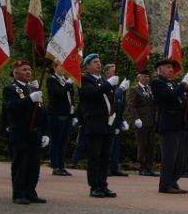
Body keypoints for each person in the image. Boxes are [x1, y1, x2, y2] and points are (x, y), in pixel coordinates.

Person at [1, 59, 48, 204]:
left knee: (34, 165)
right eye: (24, 69)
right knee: (20, 164)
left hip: (34, 132)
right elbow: (12, 107)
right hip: (20, 132)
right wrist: (29, 99)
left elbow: (42, 112)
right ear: (15, 73)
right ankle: (19, 193)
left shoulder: (34, 89)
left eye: (29, 69)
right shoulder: (10, 89)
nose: (28, 72)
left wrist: (45, 132)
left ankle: (30, 192)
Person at [78, 53, 122, 198]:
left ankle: (103, 185)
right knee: (95, 156)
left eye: (99, 61)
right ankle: (94, 186)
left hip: (107, 123)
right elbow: (92, 94)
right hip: (94, 123)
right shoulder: (84, 79)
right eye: (95, 62)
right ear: (88, 65)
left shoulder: (103, 80)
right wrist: (109, 84)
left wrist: (115, 114)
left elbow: (110, 99)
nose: (98, 64)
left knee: (105, 156)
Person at [151, 57, 188, 194]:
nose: (170, 70)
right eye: (167, 67)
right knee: (169, 157)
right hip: (168, 124)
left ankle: (173, 181)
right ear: (160, 69)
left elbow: (182, 100)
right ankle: (165, 184)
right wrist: (183, 84)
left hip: (179, 124)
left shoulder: (173, 83)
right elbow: (170, 96)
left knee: (180, 158)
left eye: (171, 67)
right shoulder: (157, 82)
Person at [45, 59, 76, 176]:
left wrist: (73, 113)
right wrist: (68, 84)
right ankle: (55, 166)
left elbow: (70, 97)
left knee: (64, 142)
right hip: (56, 114)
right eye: (61, 66)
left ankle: (62, 165)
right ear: (55, 67)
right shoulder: (51, 80)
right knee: (56, 141)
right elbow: (59, 93)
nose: (63, 68)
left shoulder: (64, 80)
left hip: (67, 114)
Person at [103, 63, 131, 178]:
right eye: (113, 71)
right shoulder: (105, 85)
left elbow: (119, 106)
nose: (115, 74)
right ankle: (106, 168)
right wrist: (121, 89)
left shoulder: (117, 87)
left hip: (116, 122)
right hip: (107, 121)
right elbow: (112, 101)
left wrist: (122, 120)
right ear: (107, 73)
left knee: (116, 148)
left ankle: (114, 168)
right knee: (108, 147)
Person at [127, 72, 157, 176]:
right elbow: (132, 105)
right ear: (138, 77)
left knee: (150, 145)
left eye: (147, 76)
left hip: (151, 121)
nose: (146, 78)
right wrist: (136, 118)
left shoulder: (150, 89)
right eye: (144, 76)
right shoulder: (135, 89)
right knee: (142, 145)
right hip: (141, 121)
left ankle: (149, 168)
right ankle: (142, 167)